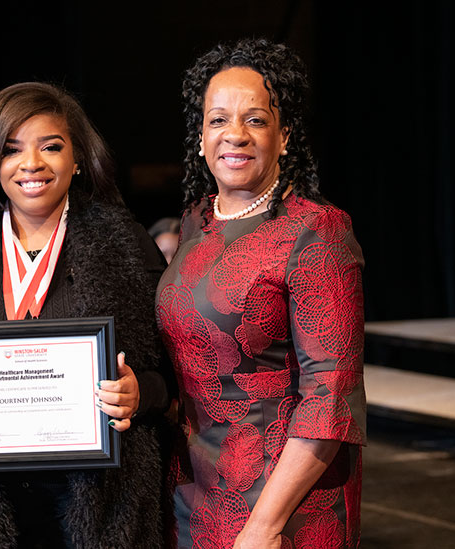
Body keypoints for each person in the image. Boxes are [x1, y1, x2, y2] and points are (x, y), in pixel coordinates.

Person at [0, 82, 170, 548]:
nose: (32, 164)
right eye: (12, 149)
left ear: (77, 159)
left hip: (95, 513)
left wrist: (141, 393)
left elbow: (174, 369)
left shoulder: (124, 244)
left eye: (51, 147)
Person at [156, 38, 365, 548]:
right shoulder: (195, 224)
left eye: (255, 120)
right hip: (193, 492)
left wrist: (265, 525)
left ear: (285, 136)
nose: (235, 135)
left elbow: (329, 397)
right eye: (218, 120)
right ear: (201, 138)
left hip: (282, 504)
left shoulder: (317, 232)